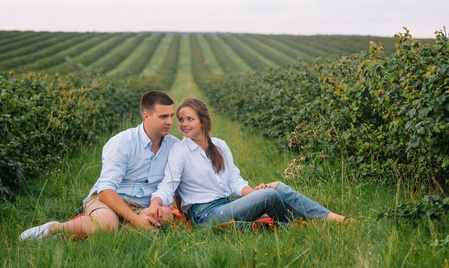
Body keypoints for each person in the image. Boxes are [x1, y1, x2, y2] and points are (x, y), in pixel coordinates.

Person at [148, 98, 350, 226]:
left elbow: (235, 181)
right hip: (205, 215)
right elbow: (169, 184)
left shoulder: (219, 145)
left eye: (189, 119)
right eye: (181, 120)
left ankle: (331, 218)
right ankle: (293, 222)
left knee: (276, 187)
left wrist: (254, 194)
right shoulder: (180, 151)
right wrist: (156, 202)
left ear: (203, 121)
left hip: (225, 206)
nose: (183, 125)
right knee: (270, 195)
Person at [19, 90, 179, 240]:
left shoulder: (174, 146)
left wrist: (153, 208)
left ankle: (95, 228)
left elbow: (171, 185)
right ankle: (55, 229)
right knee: (106, 225)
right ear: (146, 115)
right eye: (163, 116)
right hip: (110, 199)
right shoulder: (122, 142)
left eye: (171, 116)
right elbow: (106, 190)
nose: (170, 122)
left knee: (164, 216)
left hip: (144, 204)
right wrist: (136, 220)